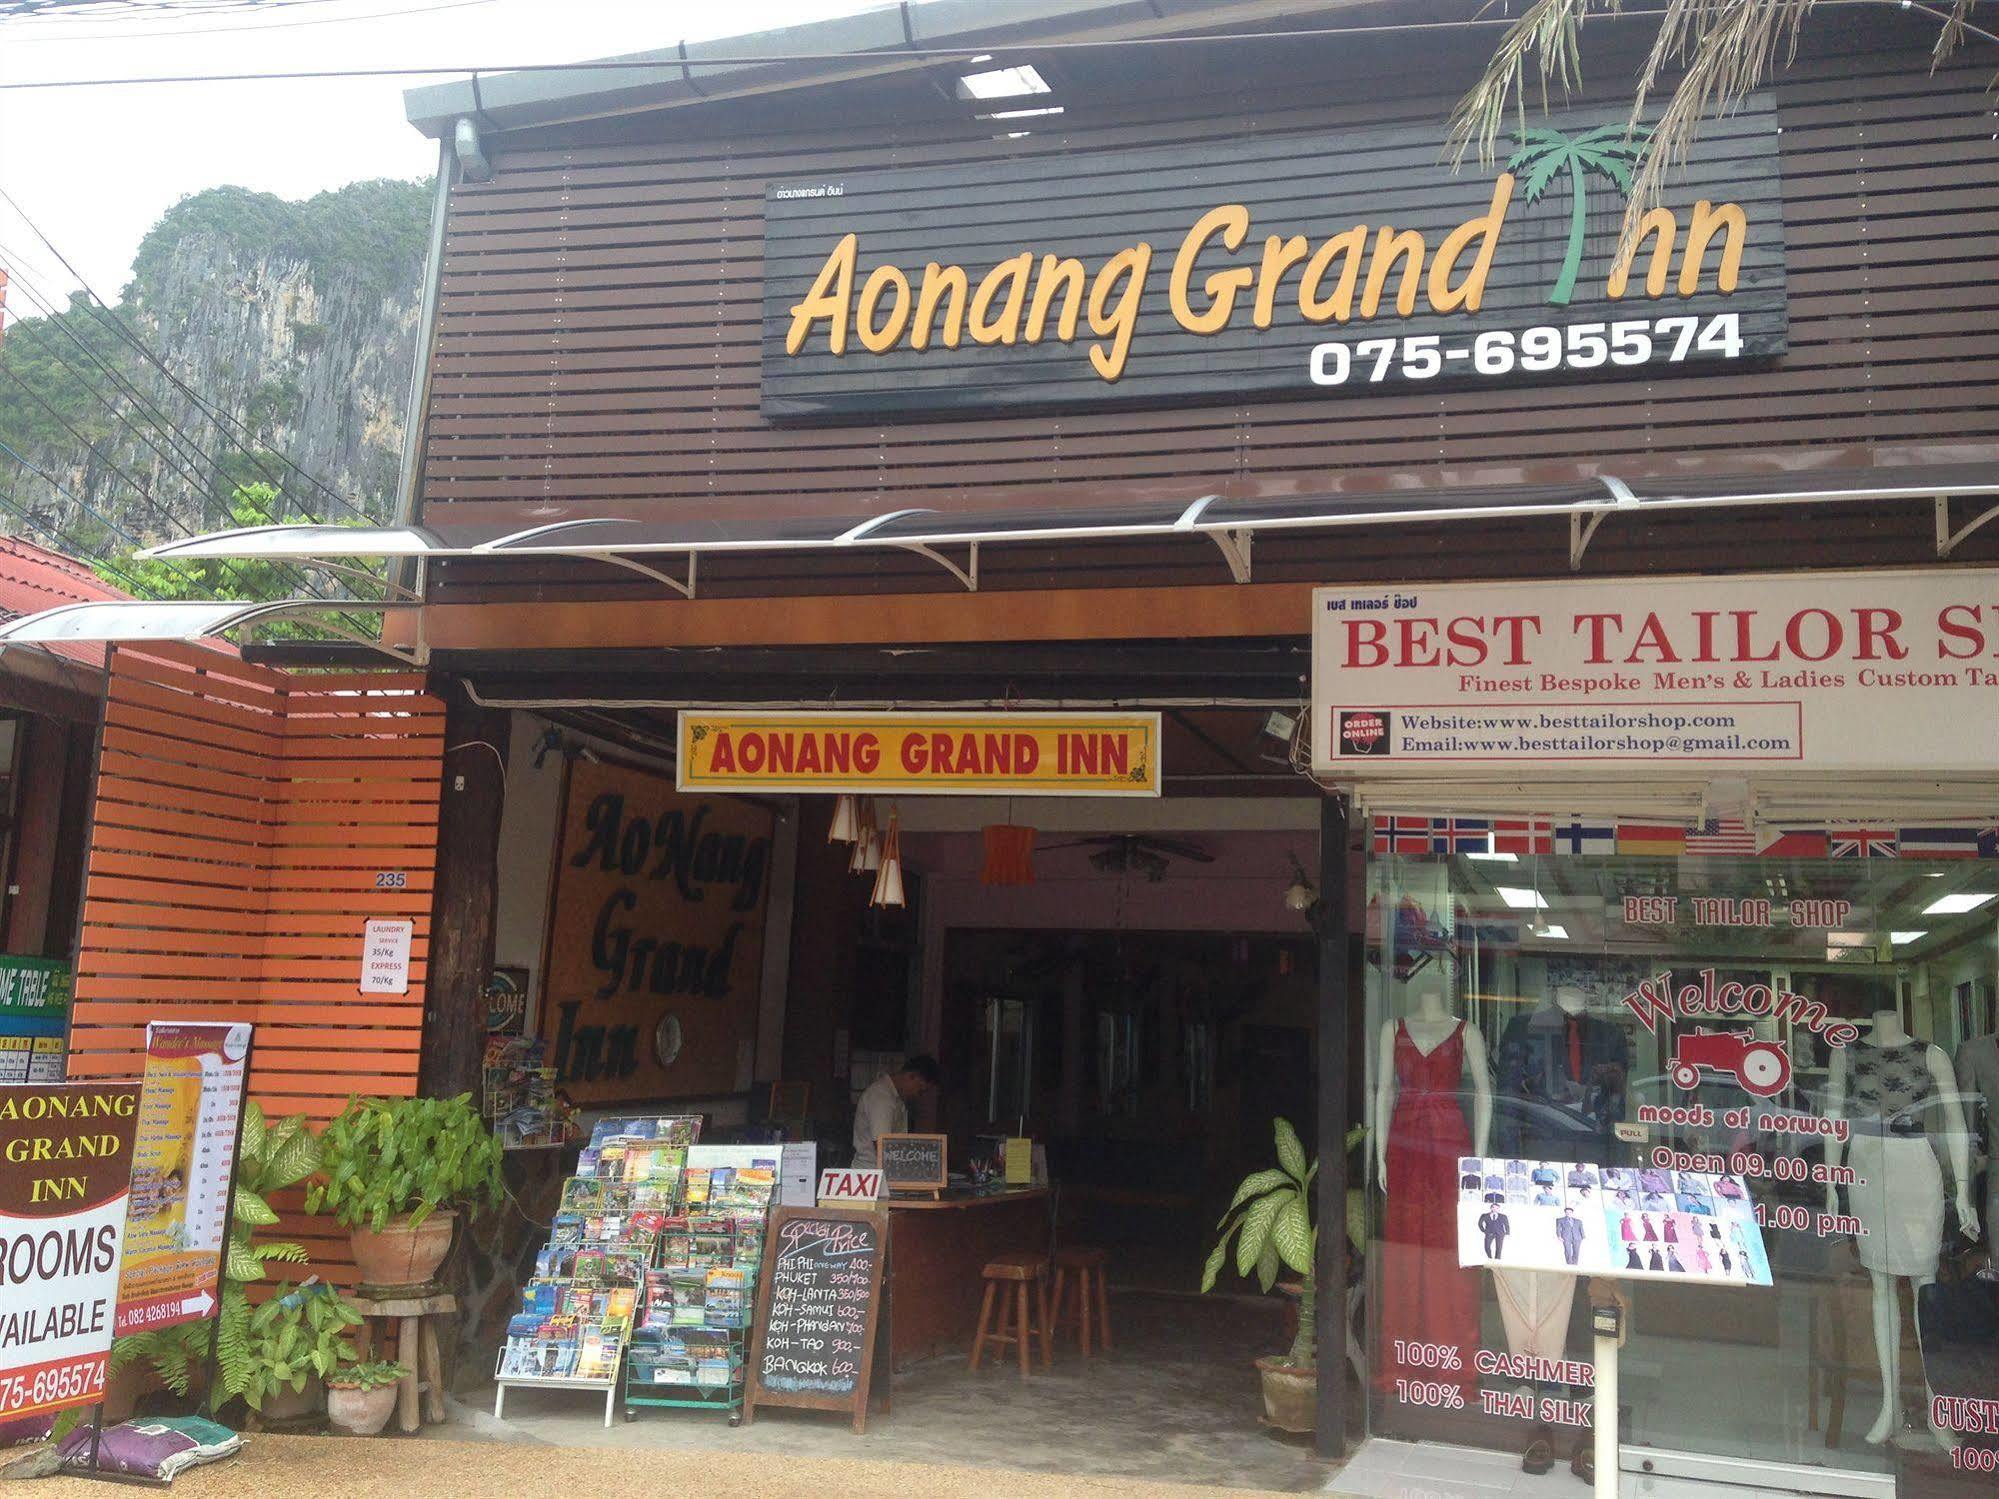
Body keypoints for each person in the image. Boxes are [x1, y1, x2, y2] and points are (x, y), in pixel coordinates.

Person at [851, 1054, 941, 1168]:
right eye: (920, 1090)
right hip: (871, 1173)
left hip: (885, 1171)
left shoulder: (897, 1098)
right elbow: (883, 1146)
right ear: (911, 1076)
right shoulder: (881, 1097)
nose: (918, 1095)